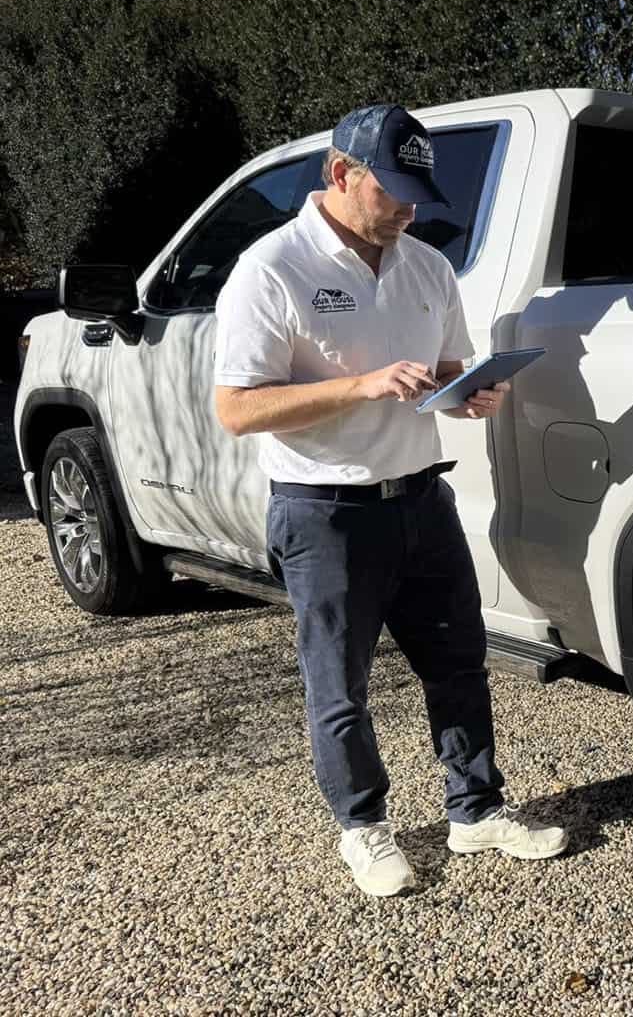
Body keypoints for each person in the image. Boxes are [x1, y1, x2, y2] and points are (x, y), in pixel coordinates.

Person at [213, 103, 566, 897]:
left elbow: (446, 366)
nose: (408, 210)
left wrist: (468, 392)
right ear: (342, 174)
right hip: (324, 512)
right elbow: (237, 407)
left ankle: (475, 812)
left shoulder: (425, 265)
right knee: (340, 685)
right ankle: (364, 829)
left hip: (422, 497)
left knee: (460, 665)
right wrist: (362, 384)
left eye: (417, 194)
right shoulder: (272, 268)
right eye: (393, 192)